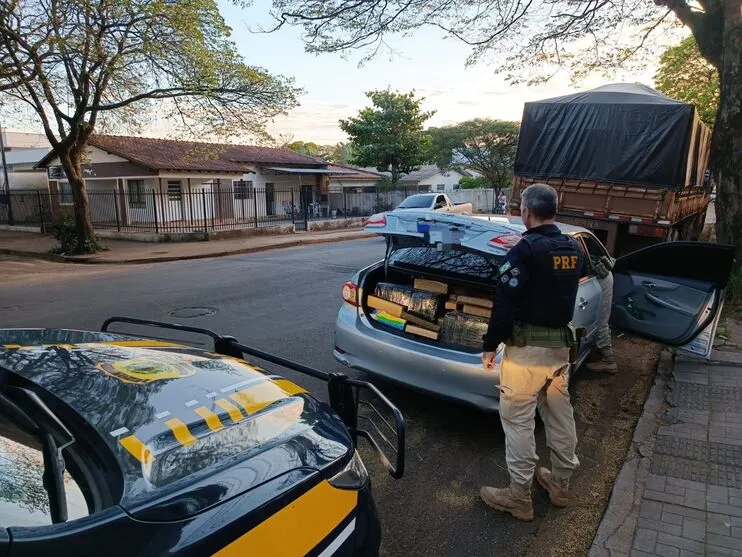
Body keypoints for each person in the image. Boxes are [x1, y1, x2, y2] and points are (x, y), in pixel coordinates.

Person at [480, 183, 582, 522]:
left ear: (526, 211)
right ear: (555, 209)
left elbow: (505, 302)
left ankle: (519, 496)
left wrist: (488, 344)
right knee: (559, 414)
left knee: (519, 421)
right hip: (559, 353)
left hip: (526, 356)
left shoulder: (525, 250)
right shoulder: (573, 247)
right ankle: (561, 485)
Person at [584, 254, 617, 373]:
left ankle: (609, 361)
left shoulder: (571, 245)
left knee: (600, 322)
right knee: (601, 321)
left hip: (601, 280)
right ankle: (597, 351)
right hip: (599, 277)